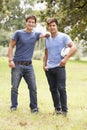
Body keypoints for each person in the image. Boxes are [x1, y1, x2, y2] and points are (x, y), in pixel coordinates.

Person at [8, 14, 49, 113]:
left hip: (29, 66)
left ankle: (34, 108)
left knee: (33, 87)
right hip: (17, 64)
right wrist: (10, 60)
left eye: (33, 22)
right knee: (14, 87)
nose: (31, 23)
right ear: (26, 22)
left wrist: (47, 33)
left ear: (35, 24)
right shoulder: (18, 33)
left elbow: (44, 35)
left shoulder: (35, 35)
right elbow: (10, 46)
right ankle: (13, 106)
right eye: (29, 21)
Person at [43, 18, 77, 115]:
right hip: (49, 68)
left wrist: (65, 60)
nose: (52, 27)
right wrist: (44, 65)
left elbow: (74, 47)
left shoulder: (63, 37)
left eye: (54, 25)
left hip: (59, 67)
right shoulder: (47, 38)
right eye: (50, 26)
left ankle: (64, 111)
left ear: (57, 26)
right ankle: (57, 109)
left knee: (61, 88)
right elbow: (46, 53)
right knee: (53, 89)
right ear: (48, 27)